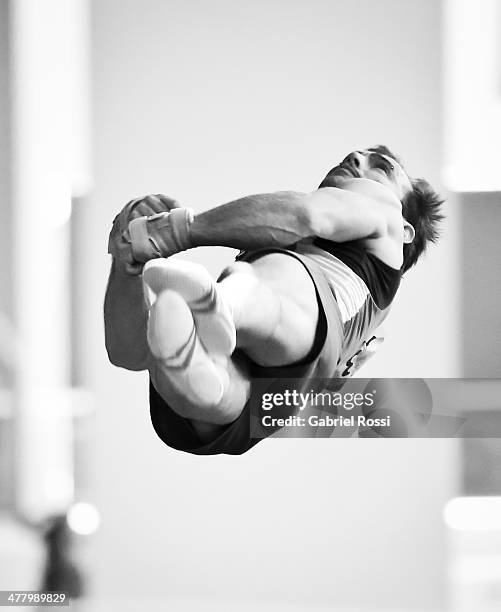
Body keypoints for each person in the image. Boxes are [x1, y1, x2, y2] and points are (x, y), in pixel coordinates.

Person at [104, 145, 444, 454]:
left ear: (405, 230)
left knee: (265, 275)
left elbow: (306, 215)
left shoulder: (384, 215)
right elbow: (129, 354)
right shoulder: (268, 244)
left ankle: (219, 307)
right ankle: (196, 365)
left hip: (304, 327)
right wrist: (128, 262)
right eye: (356, 155)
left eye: (381, 167)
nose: (356, 158)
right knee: (196, 374)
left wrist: (173, 231)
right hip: (273, 399)